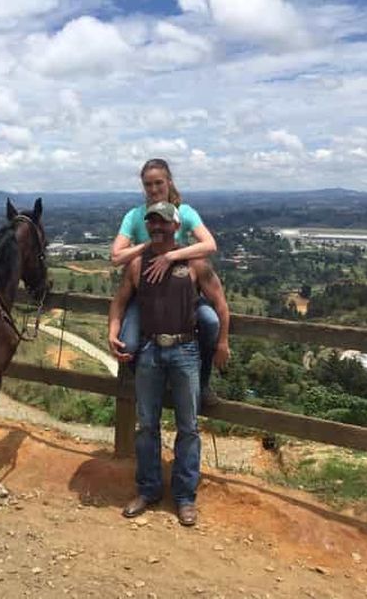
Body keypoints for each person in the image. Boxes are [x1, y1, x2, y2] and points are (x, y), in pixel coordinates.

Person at [108, 202, 230, 527]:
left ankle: (185, 497)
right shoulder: (136, 264)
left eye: (163, 223)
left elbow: (220, 305)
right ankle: (148, 490)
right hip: (150, 350)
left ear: (176, 227)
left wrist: (221, 343)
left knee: (188, 428)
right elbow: (120, 302)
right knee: (146, 425)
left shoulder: (194, 263)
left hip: (186, 351)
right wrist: (112, 330)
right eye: (153, 223)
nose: (157, 228)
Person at [111, 158, 221, 404]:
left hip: (184, 294)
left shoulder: (185, 213)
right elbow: (116, 256)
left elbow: (210, 244)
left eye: (158, 183)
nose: (153, 189)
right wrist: (151, 245)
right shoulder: (135, 216)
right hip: (145, 296)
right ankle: (152, 383)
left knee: (210, 323)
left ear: (169, 182)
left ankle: (202, 383)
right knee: (127, 345)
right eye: (147, 184)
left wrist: (171, 255)